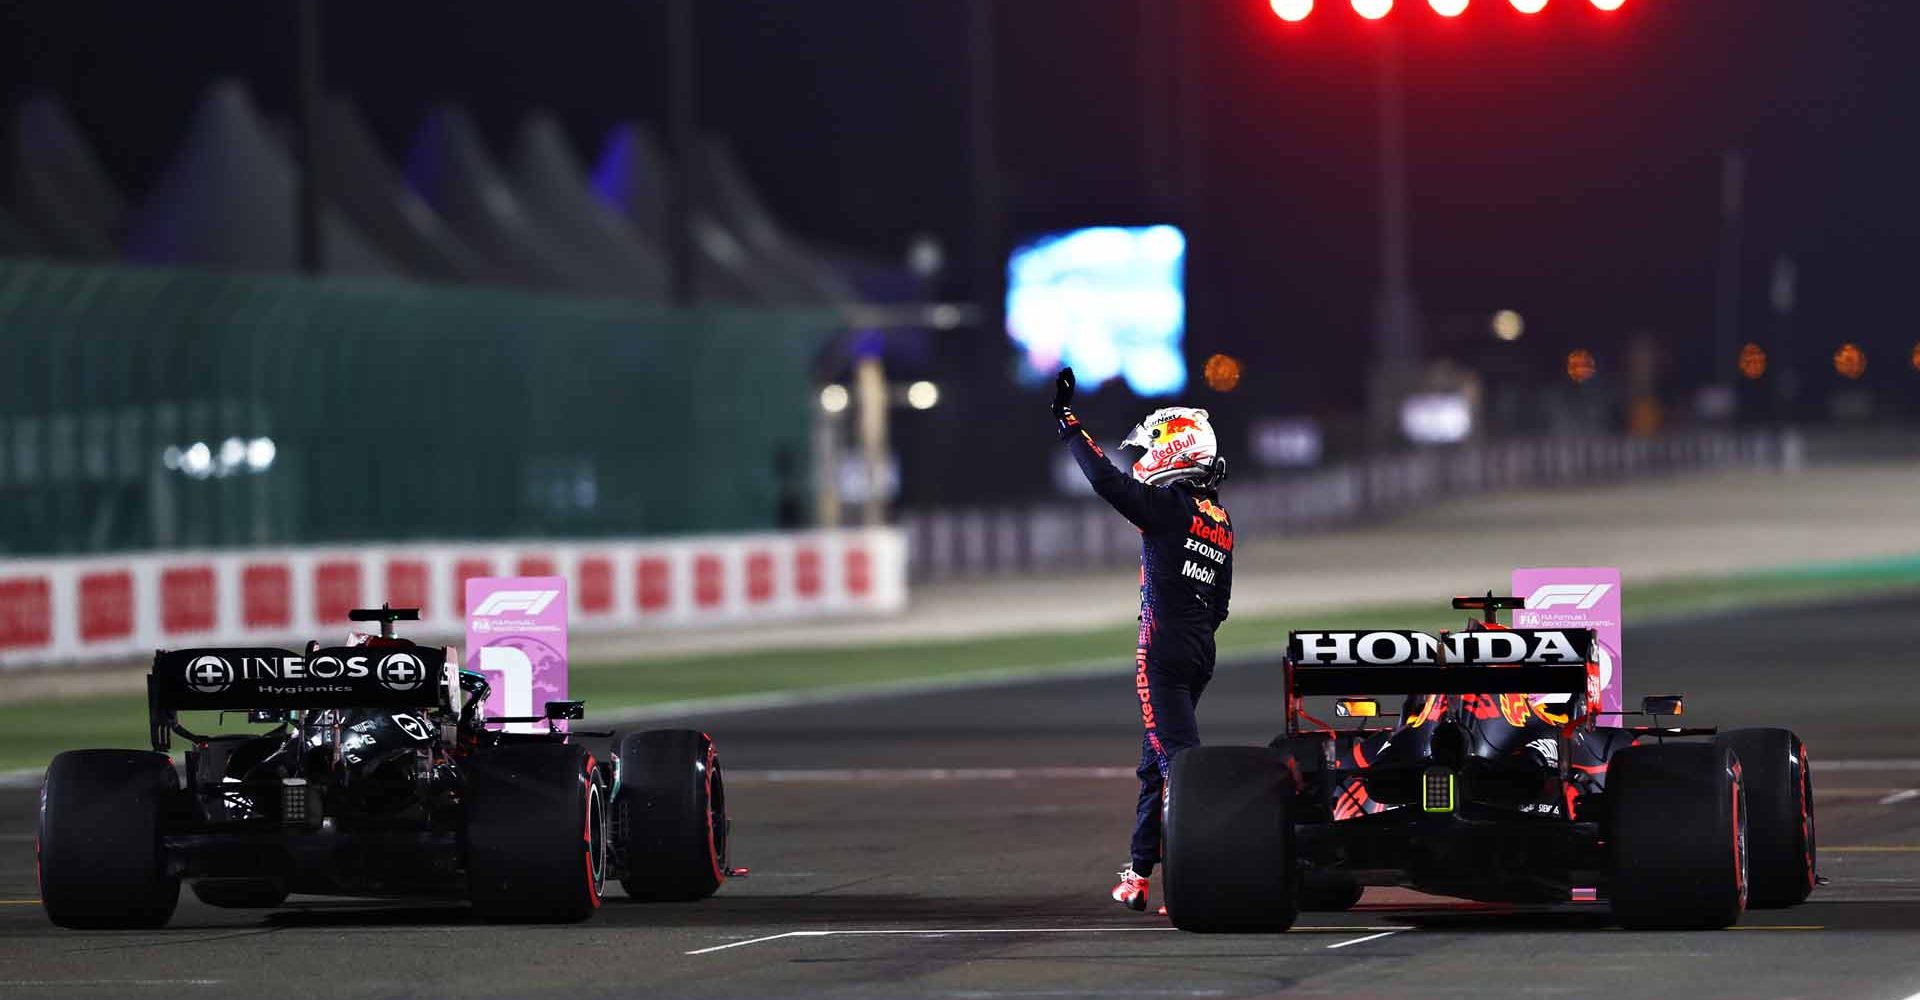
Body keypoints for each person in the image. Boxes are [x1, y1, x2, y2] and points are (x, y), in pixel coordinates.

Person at [1050, 366, 1234, 912]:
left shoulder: (1169, 508)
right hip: (1201, 650)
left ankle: (1213, 876)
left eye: (1150, 448)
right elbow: (1221, 604)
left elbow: (1107, 482)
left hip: (1162, 651)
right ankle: (1138, 871)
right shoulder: (1218, 518)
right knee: (1157, 762)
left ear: (1175, 451)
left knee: (1182, 767)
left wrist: (1067, 425)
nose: (1141, 458)